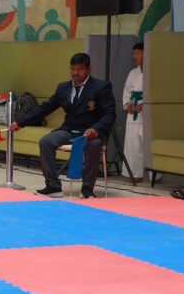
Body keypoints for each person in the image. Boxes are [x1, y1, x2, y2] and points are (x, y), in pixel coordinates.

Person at [10, 52, 116, 198]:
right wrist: (20, 122)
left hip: (91, 132)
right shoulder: (63, 88)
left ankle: (87, 189)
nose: (75, 73)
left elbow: (109, 114)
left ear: (89, 69)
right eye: (73, 69)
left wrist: (96, 129)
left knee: (94, 145)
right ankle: (53, 186)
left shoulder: (101, 87)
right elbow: (45, 108)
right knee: (46, 142)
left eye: (80, 69)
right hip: (69, 130)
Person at [121, 42, 145, 178]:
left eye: (138, 53)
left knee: (146, 144)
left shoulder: (154, 71)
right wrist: (128, 105)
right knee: (132, 144)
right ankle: (134, 174)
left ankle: (155, 175)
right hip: (133, 112)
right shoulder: (133, 73)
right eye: (133, 53)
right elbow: (127, 92)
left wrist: (144, 105)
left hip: (146, 113)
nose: (134, 56)